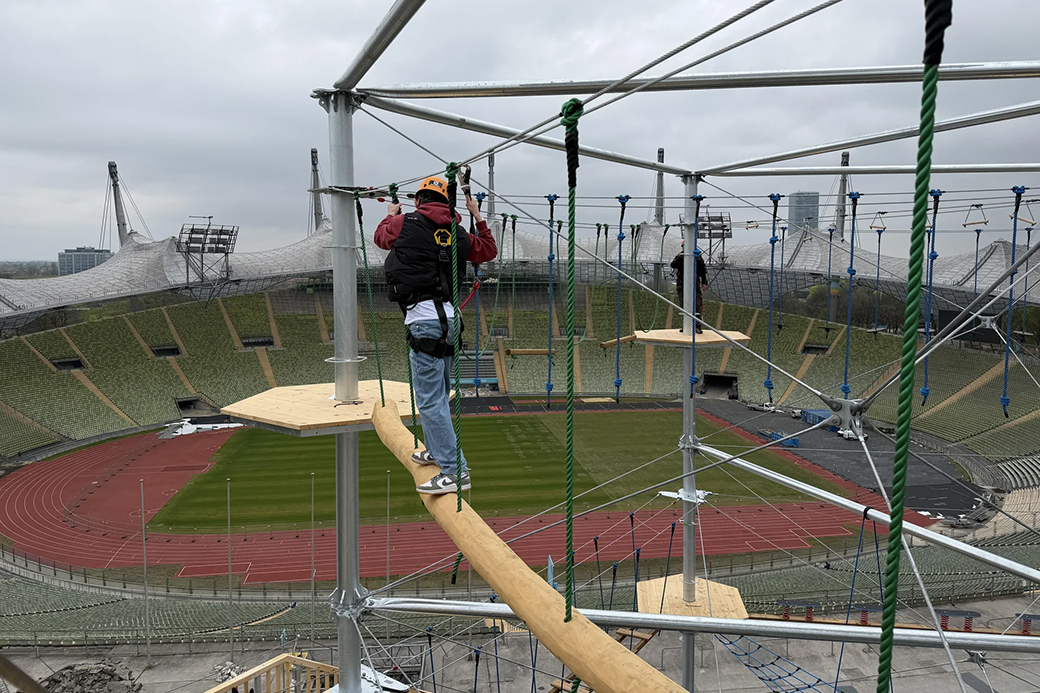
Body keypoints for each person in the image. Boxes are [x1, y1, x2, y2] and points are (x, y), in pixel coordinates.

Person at [375, 176, 498, 495]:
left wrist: (390, 214)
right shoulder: (457, 232)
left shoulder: (404, 222)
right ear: (446, 203)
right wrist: (478, 217)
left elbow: (380, 238)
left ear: (418, 201)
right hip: (450, 320)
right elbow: (488, 250)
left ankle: (455, 470)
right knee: (439, 396)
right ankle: (437, 449)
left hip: (425, 321)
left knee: (430, 401)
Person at [670, 242, 708, 333]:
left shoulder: (698, 258)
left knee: (697, 305)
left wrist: (704, 283)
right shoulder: (680, 256)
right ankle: (686, 326)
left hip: (695, 284)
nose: (684, 248)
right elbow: (673, 265)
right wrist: (680, 257)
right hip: (682, 285)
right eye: (683, 246)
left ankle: (697, 326)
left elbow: (703, 270)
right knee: (684, 305)